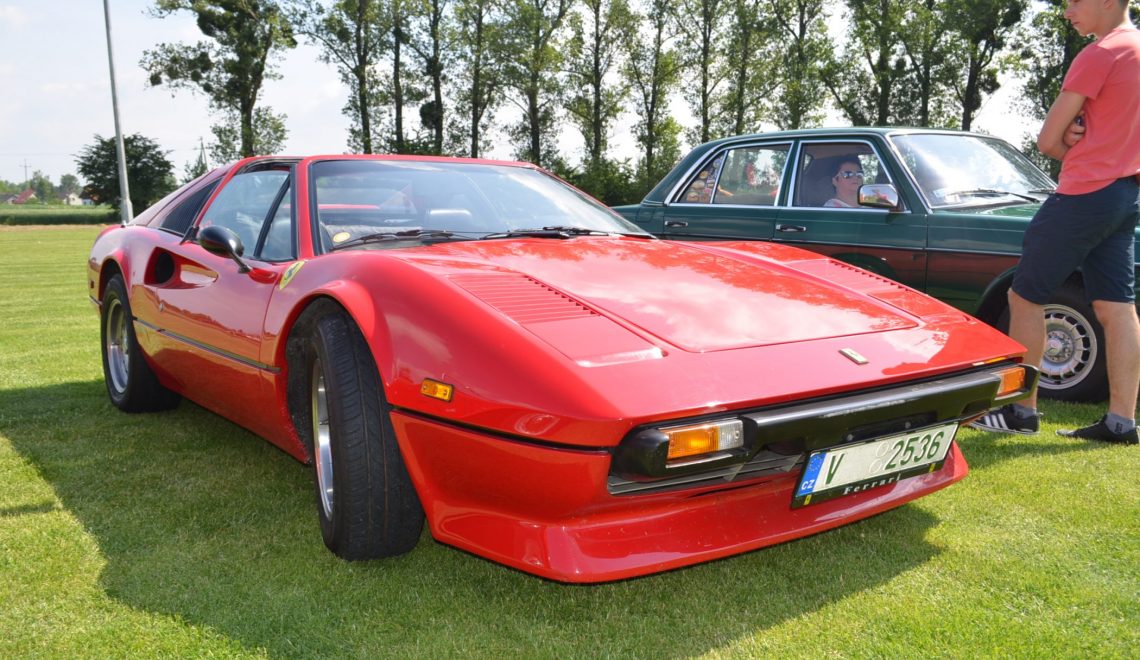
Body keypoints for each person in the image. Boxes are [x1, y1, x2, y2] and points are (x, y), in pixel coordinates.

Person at [971, 0, 1140, 445]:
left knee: (1024, 297)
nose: (1067, 11)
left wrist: (1069, 142)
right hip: (1126, 195)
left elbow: (1048, 141)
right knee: (1117, 307)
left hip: (1083, 195)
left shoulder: (1101, 53)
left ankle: (1020, 412)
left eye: (1074, 2)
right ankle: (1121, 422)